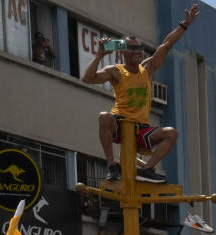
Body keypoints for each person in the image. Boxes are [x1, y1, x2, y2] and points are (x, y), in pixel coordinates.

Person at [81, 4, 200, 183]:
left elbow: (166, 45)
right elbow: (88, 78)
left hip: (141, 129)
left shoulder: (147, 68)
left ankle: (147, 169)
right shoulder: (116, 71)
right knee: (104, 117)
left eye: (139, 47)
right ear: (122, 52)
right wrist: (99, 55)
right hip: (120, 123)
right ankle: (112, 166)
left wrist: (185, 24)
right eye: (132, 48)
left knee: (171, 133)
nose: (137, 51)